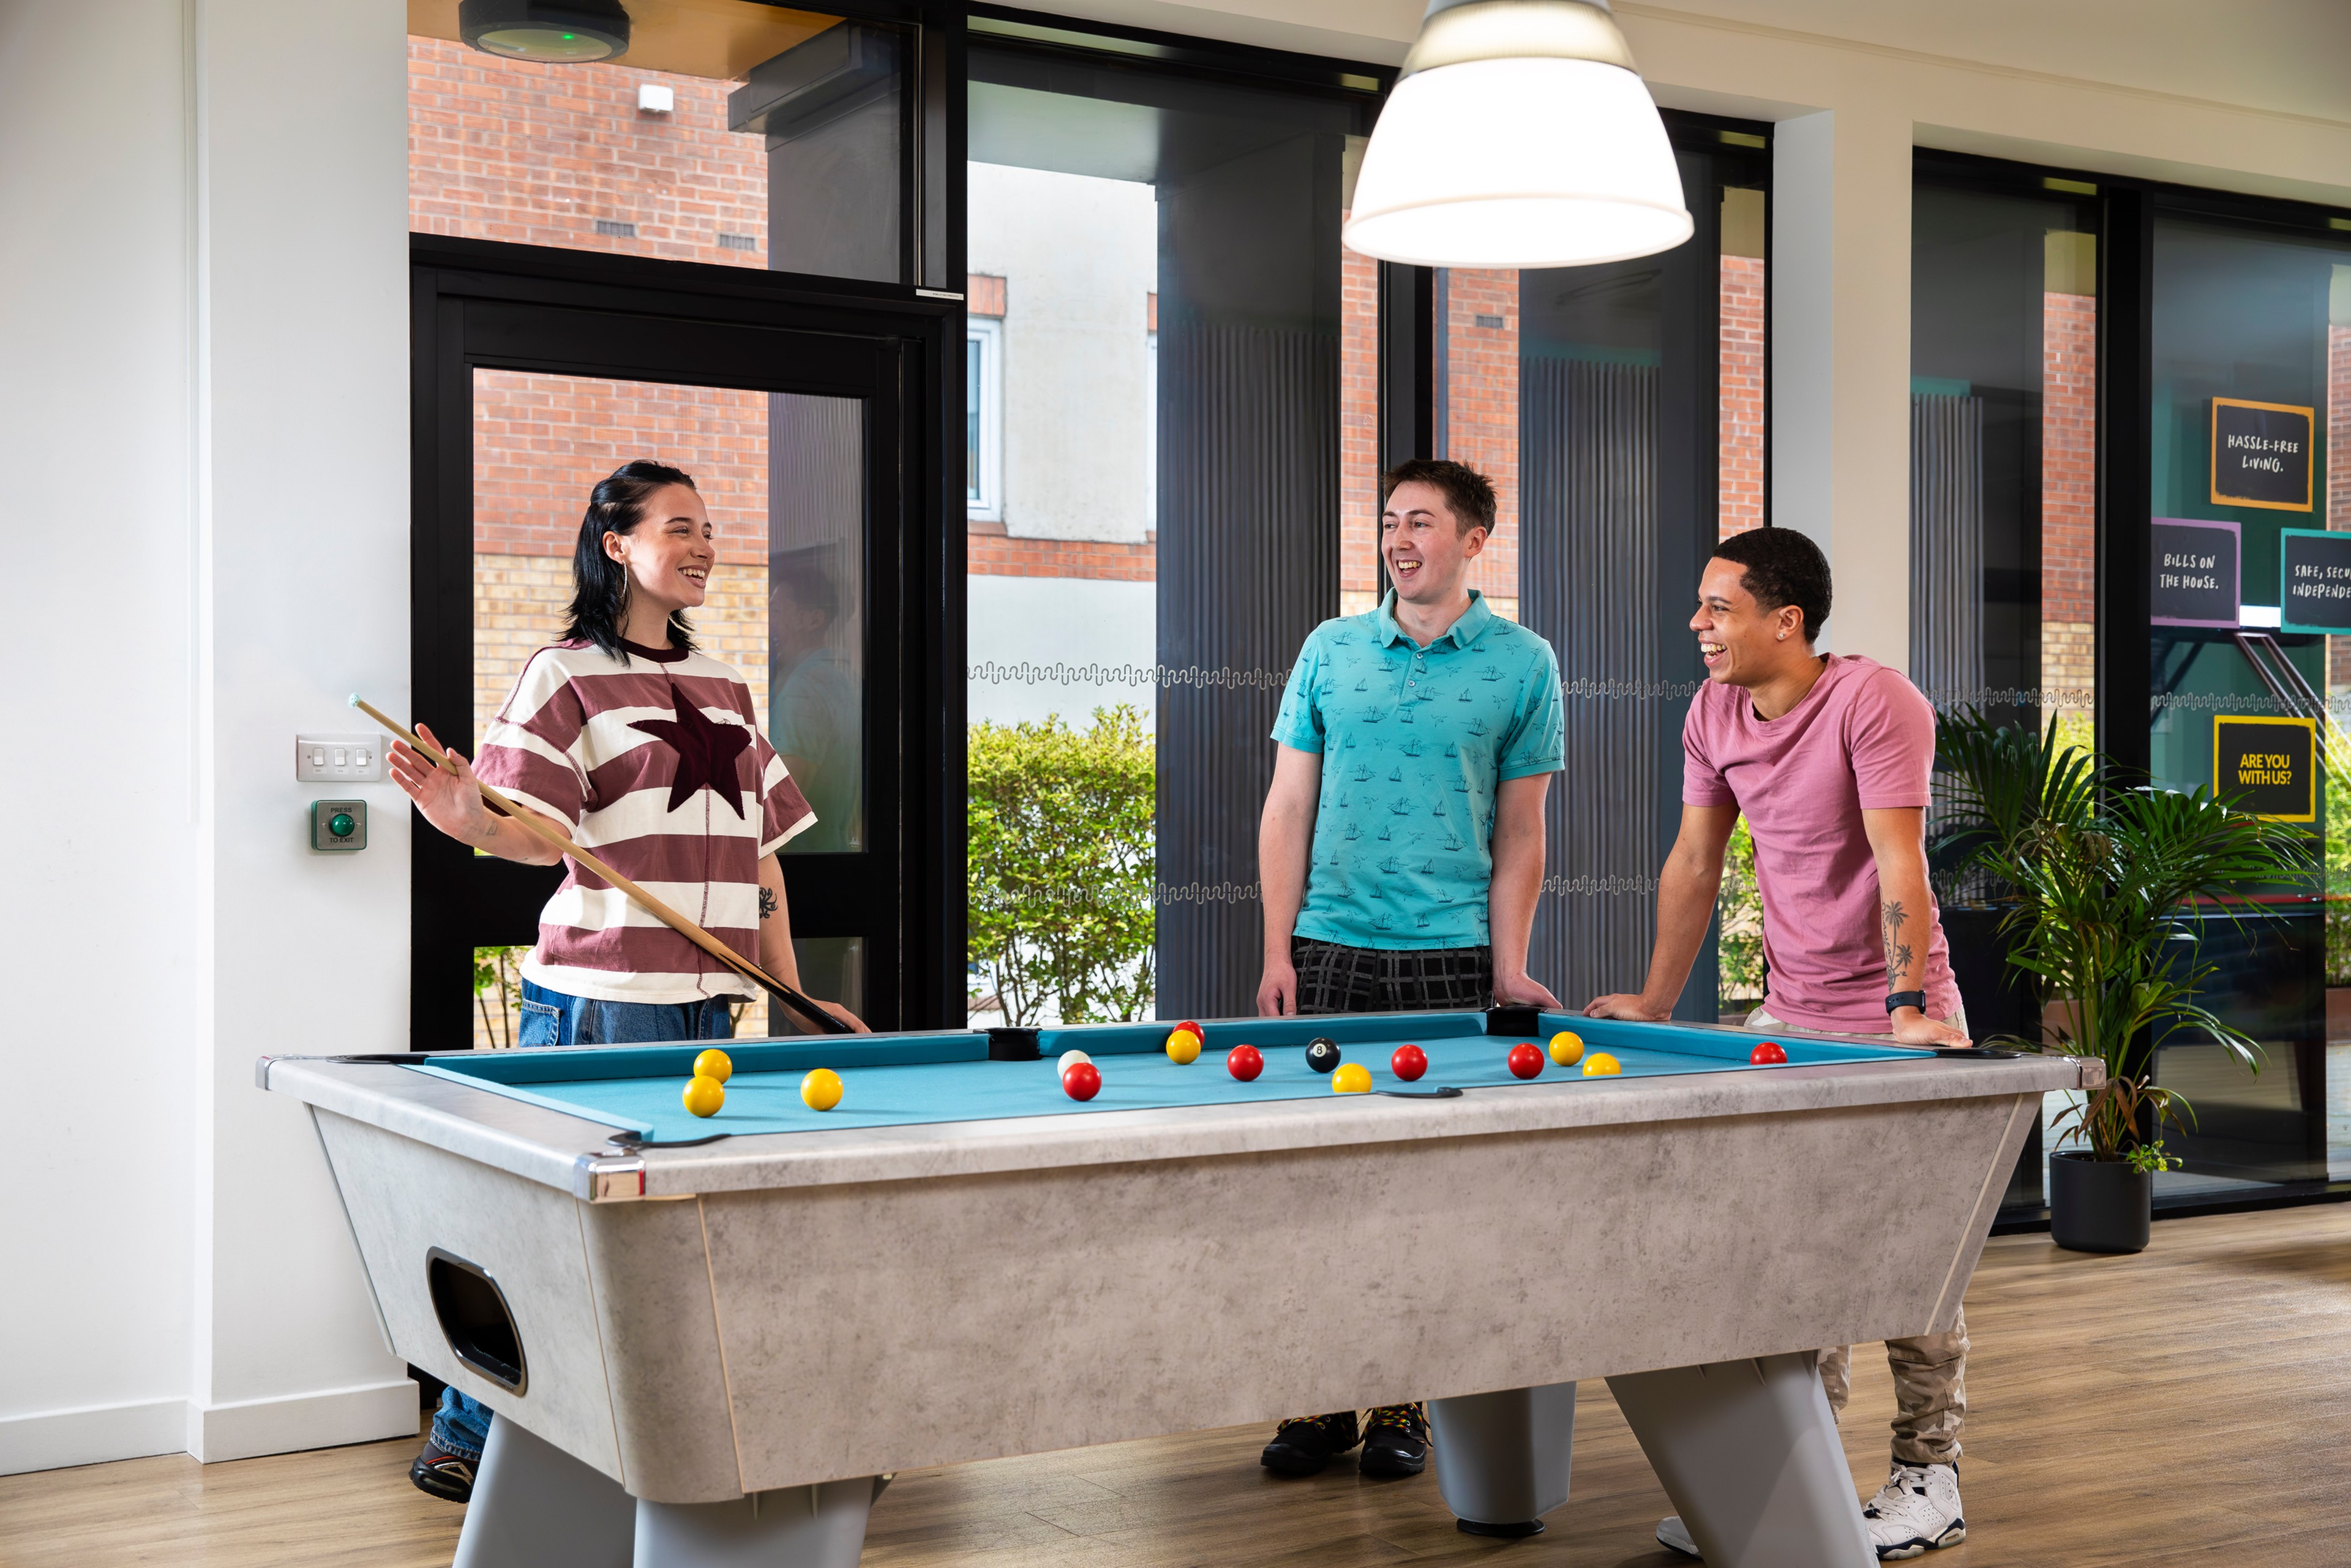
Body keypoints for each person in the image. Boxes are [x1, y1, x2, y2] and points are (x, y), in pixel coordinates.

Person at [389, 459, 866, 1504]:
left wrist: (795, 997)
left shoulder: (728, 692)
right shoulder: (563, 677)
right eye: (680, 527)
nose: (705, 545)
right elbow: (531, 835)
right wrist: (467, 817)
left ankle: (647, 1428)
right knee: (541, 1227)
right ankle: (470, 1431)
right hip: (595, 1004)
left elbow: (762, 858)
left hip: (706, 1012)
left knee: (677, 1235)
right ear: (616, 543)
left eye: (710, 529)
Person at [1583, 525, 1973, 1562]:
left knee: (1909, 1255)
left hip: (1897, 1020)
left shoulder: (1874, 701)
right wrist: (1659, 1003)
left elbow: (1902, 863)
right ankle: (1792, 1487)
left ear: (1785, 619)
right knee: (1784, 1248)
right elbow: (1695, 861)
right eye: (1701, 606)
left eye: (1719, 607)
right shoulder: (1713, 712)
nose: (1698, 625)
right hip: (1791, 1014)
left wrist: (1902, 1006)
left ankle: (1928, 1474)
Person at [1254, 458, 1565, 1480]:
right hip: (1331, 953)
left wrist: (1508, 965)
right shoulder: (1330, 650)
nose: (1398, 539)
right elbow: (1288, 806)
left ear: (1474, 539)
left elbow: (1523, 831)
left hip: (1451, 962)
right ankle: (1319, 1397)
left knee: (1426, 1193)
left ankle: (1402, 1398)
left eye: (1420, 522)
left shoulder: (1524, 664)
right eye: (1389, 521)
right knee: (1317, 1185)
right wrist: (1277, 948)